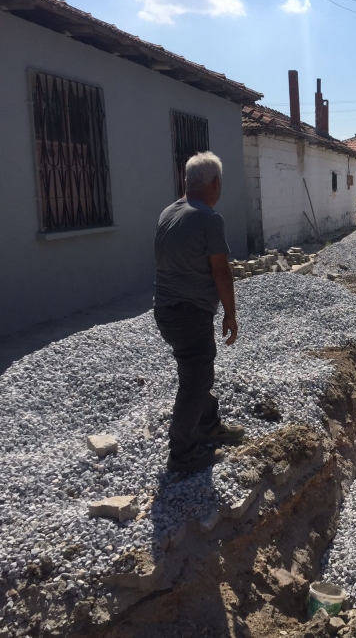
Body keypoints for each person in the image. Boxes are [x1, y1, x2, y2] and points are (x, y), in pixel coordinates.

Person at [153, 151, 245, 473]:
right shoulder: (209, 218)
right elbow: (221, 272)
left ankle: (207, 423)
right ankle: (182, 454)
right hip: (189, 313)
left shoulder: (167, 213)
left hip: (165, 311)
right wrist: (231, 315)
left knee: (195, 370)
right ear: (215, 183)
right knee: (196, 378)